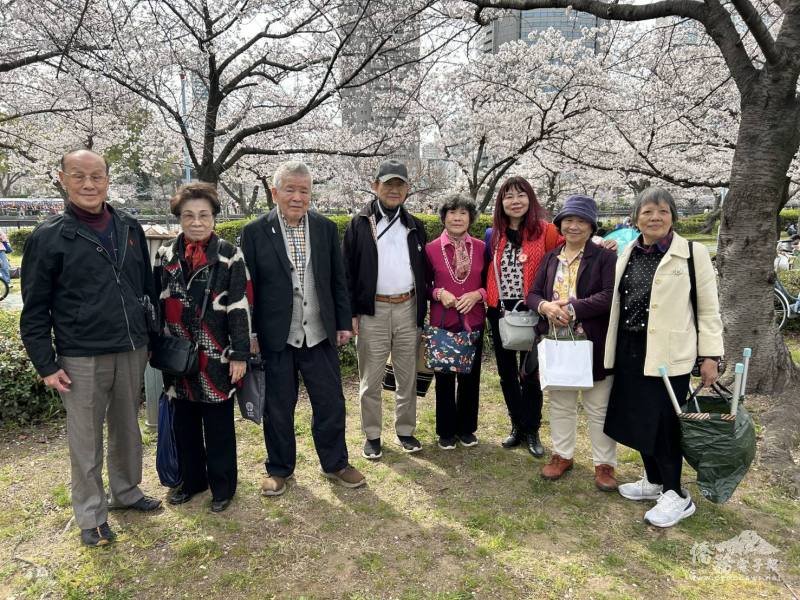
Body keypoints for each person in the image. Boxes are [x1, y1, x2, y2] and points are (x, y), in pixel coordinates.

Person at [20, 149, 162, 547]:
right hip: (80, 354)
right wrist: (46, 364)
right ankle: (90, 515)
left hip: (131, 347)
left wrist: (148, 335)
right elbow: (34, 308)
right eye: (79, 176)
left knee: (126, 429)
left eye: (96, 176)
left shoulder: (129, 226)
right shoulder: (49, 237)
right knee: (85, 439)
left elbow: (144, 289)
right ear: (62, 179)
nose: (89, 184)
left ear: (107, 179)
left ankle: (127, 492)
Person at [241, 161, 365, 497]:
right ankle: (279, 468)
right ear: (275, 192)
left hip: (320, 333)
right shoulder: (254, 232)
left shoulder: (324, 228)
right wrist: (250, 333)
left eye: (304, 190)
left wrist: (342, 323)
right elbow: (247, 289)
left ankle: (336, 463)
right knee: (278, 406)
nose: (297, 197)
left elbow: (337, 280)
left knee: (330, 402)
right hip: (277, 335)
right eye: (290, 189)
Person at [604, 187, 723, 528]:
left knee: (665, 424)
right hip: (630, 349)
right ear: (636, 218)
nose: (654, 218)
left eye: (662, 212)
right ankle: (654, 481)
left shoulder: (691, 252)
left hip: (669, 355)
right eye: (647, 212)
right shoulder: (629, 251)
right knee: (640, 419)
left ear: (673, 217)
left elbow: (708, 308)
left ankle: (677, 494)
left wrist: (710, 356)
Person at [154, 183, 252, 513]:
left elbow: (239, 305)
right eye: (189, 215)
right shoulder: (165, 254)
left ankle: (223, 487)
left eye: (204, 215)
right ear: (179, 218)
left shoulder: (228, 254)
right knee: (184, 422)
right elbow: (157, 302)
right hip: (177, 354)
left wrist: (240, 354)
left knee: (218, 424)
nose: (197, 222)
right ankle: (193, 481)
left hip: (216, 354)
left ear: (214, 217)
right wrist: (157, 343)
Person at [528, 195, 619, 490]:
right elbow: (533, 294)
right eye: (568, 220)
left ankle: (604, 464)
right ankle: (562, 455)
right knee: (561, 403)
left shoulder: (604, 257)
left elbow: (609, 296)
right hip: (558, 341)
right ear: (560, 225)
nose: (574, 226)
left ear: (592, 226)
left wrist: (573, 307)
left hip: (593, 341)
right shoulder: (551, 257)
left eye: (581, 220)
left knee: (598, 406)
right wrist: (546, 307)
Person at [342, 159, 428, 459]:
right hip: (372, 310)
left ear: (407, 190)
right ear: (375, 185)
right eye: (388, 184)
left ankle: (405, 430)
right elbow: (347, 272)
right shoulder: (359, 222)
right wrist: (351, 313)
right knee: (371, 378)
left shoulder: (415, 225)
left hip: (408, 306)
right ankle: (372, 435)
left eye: (399, 185)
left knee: (407, 375)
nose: (394, 190)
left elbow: (424, 271)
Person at [485, 176, 563, 457]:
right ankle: (516, 425)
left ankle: (532, 429)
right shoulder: (494, 234)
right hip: (500, 311)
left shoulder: (547, 232)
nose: (515, 201)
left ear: (530, 199)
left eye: (520, 195)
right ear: (501, 203)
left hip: (535, 309)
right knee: (507, 373)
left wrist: (603, 242)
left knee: (530, 373)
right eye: (508, 196)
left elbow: (574, 248)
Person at [425, 194, 487, 450]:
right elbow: (424, 285)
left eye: (463, 213)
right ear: (444, 217)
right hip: (444, 322)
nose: (458, 217)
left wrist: (477, 295)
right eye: (452, 212)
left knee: (471, 378)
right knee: (445, 379)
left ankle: (466, 429)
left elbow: (490, 285)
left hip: (473, 321)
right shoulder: (430, 249)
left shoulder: (483, 248)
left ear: (470, 218)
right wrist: (440, 293)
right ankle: (446, 431)